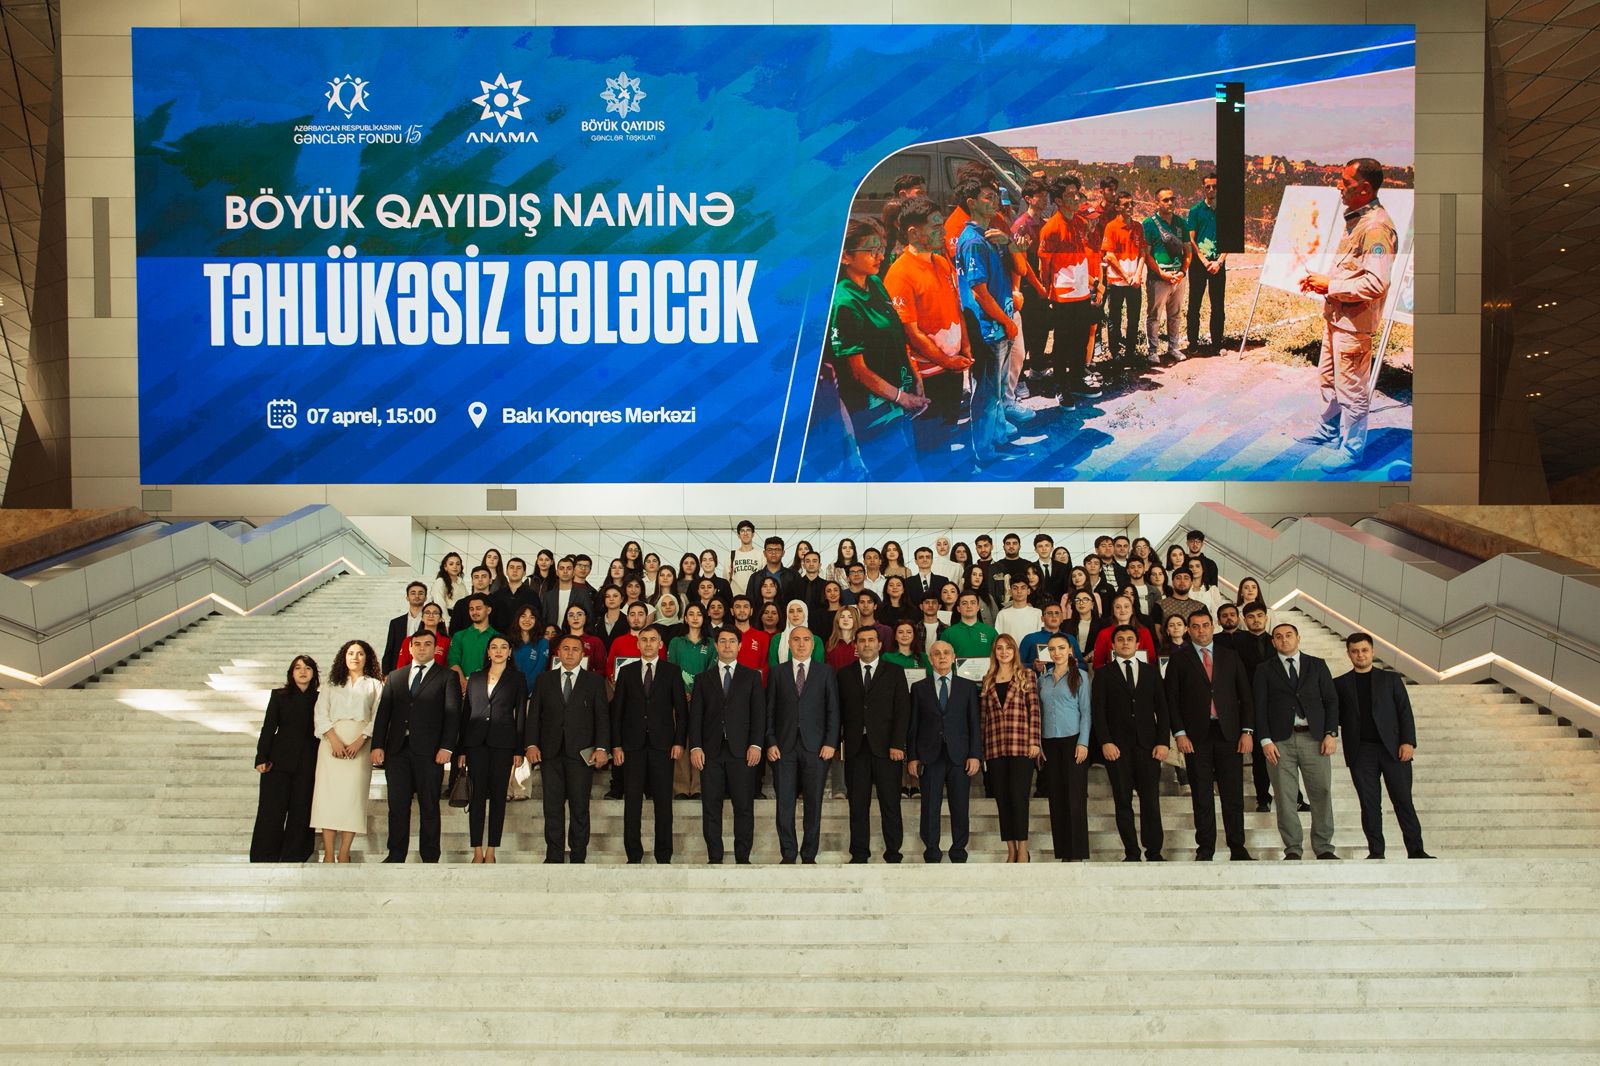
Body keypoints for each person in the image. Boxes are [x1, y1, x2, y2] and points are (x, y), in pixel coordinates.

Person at [1295, 157, 1397, 472]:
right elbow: (1353, 271)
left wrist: (1331, 285)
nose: (1339, 186)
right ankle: (1328, 431)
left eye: (1346, 183)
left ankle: (1351, 451)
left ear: (1364, 189)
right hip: (1337, 317)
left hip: (1354, 325)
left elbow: (1376, 283)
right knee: (1329, 379)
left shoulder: (1376, 228)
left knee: (1351, 388)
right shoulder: (1357, 219)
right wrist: (1326, 284)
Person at [829, 219, 928, 479]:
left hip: (900, 398)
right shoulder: (844, 302)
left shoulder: (875, 283)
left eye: (880, 248)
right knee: (898, 478)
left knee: (911, 468)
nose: (880, 256)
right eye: (871, 250)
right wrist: (901, 397)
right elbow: (858, 370)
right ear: (845, 257)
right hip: (875, 410)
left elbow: (895, 333)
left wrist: (914, 375)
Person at [883, 196, 973, 470]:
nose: (943, 232)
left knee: (947, 428)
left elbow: (956, 308)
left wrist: (965, 348)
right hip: (927, 375)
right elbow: (910, 332)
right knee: (929, 440)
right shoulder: (900, 273)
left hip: (952, 367)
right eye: (935, 226)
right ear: (913, 233)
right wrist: (947, 361)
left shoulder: (942, 262)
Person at [1165, 608, 1256, 861]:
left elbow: (1246, 696)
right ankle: (1205, 849)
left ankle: (1237, 847)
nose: (1201, 630)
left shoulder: (1230, 656)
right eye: (1195, 626)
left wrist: (1247, 731)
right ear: (1188, 630)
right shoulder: (1179, 659)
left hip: (1230, 734)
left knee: (1233, 794)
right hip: (1196, 737)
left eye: (1205, 625)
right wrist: (1180, 733)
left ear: (1213, 626)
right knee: (1201, 795)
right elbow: (1171, 700)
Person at [1335, 633, 1432, 860]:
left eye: (1364, 650)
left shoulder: (1391, 679)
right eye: (1355, 651)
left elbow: (1404, 711)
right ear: (1348, 654)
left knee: (1403, 801)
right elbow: (1335, 714)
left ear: (1372, 651)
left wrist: (1408, 741)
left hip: (1393, 749)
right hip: (1361, 751)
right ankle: (1376, 852)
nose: (1360, 655)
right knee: (1369, 804)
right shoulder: (1339, 684)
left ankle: (1416, 850)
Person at [369, 632, 459, 863]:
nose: (421, 648)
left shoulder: (446, 676)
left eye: (427, 644)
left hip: (430, 752)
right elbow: (383, 714)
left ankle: (430, 856)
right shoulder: (396, 676)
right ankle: (396, 854)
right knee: (397, 806)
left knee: (429, 806)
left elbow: (452, 715)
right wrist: (377, 745)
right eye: (417, 644)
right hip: (397, 751)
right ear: (410, 648)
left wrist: (447, 747)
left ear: (435, 648)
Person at [1255, 622, 1341, 859]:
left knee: (1322, 791)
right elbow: (1259, 706)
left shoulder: (1317, 665)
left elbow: (1331, 700)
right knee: (1285, 796)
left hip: (1314, 739)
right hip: (1279, 742)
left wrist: (1331, 733)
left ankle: (1323, 847)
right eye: (1279, 636)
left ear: (1298, 638)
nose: (1284, 640)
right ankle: (1293, 848)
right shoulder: (1264, 669)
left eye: (1289, 635)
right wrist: (1265, 740)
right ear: (1273, 642)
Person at [953, 178, 1020, 469]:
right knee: (986, 393)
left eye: (995, 196)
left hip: (1000, 325)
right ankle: (984, 453)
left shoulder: (991, 235)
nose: (993, 202)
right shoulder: (972, 241)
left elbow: (1018, 268)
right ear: (971, 203)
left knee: (996, 391)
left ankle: (997, 440)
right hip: (989, 328)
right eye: (986, 197)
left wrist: (1009, 242)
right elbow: (979, 293)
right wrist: (1007, 322)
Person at [524, 635, 610, 863]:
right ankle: (553, 856)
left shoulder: (594, 681)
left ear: (583, 654)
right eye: (566, 649)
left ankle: (578, 857)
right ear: (558, 653)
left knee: (579, 808)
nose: (570, 653)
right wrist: (531, 744)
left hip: (581, 754)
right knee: (552, 807)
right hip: (550, 753)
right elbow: (534, 715)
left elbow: (602, 717)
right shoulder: (544, 679)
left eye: (575, 649)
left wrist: (602, 747)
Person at [610, 625, 688, 864]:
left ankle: (663, 855)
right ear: (638, 644)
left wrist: (679, 742)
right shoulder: (626, 672)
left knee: (663, 803)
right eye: (644, 639)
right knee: (632, 803)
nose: (648, 643)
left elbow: (682, 712)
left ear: (660, 644)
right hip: (632, 746)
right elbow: (617, 712)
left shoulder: (672, 671)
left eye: (653, 639)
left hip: (663, 746)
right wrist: (616, 745)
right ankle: (633, 855)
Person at [687, 628, 765, 864]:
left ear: (740, 646)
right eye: (723, 641)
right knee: (711, 807)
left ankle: (743, 858)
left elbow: (758, 715)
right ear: (716, 646)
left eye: (732, 641)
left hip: (742, 751)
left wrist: (756, 745)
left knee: (744, 807)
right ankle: (715, 858)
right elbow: (695, 716)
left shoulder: (752, 677)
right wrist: (695, 747)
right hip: (710, 752)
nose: (728, 645)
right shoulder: (703, 679)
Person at [1094, 625, 1170, 861]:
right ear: (1113, 645)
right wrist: (1105, 742)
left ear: (1138, 644)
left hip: (1148, 746)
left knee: (1151, 801)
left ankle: (1154, 851)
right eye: (1120, 639)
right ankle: (1132, 852)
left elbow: (1163, 710)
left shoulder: (1151, 672)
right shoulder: (1103, 674)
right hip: (1117, 749)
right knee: (1123, 801)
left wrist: (1163, 742)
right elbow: (1098, 712)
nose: (1125, 643)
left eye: (1129, 639)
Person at [835, 627, 910, 863]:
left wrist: (898, 744)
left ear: (879, 645)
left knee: (890, 803)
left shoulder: (895, 672)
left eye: (871, 640)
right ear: (856, 646)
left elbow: (902, 711)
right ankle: (859, 853)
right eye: (862, 640)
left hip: (887, 748)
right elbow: (838, 711)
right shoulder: (844, 674)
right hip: (856, 748)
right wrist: (837, 744)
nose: (866, 644)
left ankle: (893, 853)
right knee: (858, 805)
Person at [765, 627, 840, 864]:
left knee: (813, 803)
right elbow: (769, 711)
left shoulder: (825, 672)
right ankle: (788, 853)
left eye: (806, 639)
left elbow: (833, 709)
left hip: (816, 748)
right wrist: (770, 741)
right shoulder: (777, 672)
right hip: (783, 747)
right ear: (789, 644)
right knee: (784, 804)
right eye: (796, 639)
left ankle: (809, 855)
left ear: (813, 644)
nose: (801, 644)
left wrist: (831, 742)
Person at [308, 639, 382, 864]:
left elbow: (378, 715)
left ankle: (344, 853)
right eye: (351, 653)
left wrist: (361, 740)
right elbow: (321, 713)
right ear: (344, 657)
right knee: (328, 797)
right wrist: (334, 740)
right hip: (331, 744)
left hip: (360, 744)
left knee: (353, 798)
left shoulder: (375, 685)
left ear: (367, 658)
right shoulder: (331, 684)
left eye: (360, 653)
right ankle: (329, 854)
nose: (355, 657)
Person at [907, 640, 982, 863]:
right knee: (930, 807)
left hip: (960, 756)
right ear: (930, 659)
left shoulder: (967, 687)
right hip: (930, 756)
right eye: (937, 653)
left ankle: (959, 852)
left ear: (953, 657)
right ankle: (932, 852)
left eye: (946, 653)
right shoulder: (919, 688)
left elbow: (974, 723)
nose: (942, 656)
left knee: (960, 806)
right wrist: (912, 757)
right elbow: (913, 725)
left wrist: (975, 754)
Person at [457, 635, 526, 864]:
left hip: (503, 745)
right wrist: (461, 749)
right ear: (488, 652)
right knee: (476, 797)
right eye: (494, 647)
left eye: (503, 647)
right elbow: (466, 714)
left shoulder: (517, 679)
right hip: (475, 744)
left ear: (509, 652)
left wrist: (519, 749)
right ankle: (477, 851)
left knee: (498, 797)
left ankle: (491, 851)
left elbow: (521, 715)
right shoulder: (475, 677)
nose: (498, 651)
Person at [251, 654, 321, 863]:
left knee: (301, 810)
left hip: (308, 761)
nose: (302, 671)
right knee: (271, 810)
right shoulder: (279, 696)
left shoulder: (319, 699)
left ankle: (295, 854)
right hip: (278, 761)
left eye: (307, 668)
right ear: (291, 673)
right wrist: (261, 757)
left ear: (314, 673)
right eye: (298, 667)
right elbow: (268, 728)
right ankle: (264, 855)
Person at [1038, 173, 1103, 397]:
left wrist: (1092, 284)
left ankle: (1076, 381)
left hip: (1082, 293)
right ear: (1058, 200)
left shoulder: (1081, 223)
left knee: (1080, 340)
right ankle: (1061, 387)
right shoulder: (1051, 228)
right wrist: (1048, 294)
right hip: (1062, 296)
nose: (1076, 198)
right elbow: (1044, 265)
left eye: (1077, 193)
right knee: (1062, 342)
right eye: (1070, 195)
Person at [979, 634, 1042, 863]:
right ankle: (1010, 848)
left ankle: (1023, 847)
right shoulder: (988, 679)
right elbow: (983, 718)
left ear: (1014, 651)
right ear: (994, 652)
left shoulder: (1026, 675)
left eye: (1008, 648)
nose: (1004, 652)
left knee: (1018, 796)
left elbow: (1034, 709)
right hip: (995, 747)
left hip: (1021, 744)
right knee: (1002, 798)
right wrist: (982, 749)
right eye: (999, 648)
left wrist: (1034, 741)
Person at [1038, 635, 1092, 861]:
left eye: (1061, 648)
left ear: (1070, 650)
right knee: (1056, 797)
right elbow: (1039, 713)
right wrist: (1039, 743)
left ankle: (1077, 852)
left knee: (1075, 797)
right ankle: (1062, 852)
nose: (1056, 653)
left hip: (1073, 740)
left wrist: (1083, 742)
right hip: (1049, 742)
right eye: (1052, 649)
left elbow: (1086, 712)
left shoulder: (1080, 676)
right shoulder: (1043, 679)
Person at [668, 603, 713, 800]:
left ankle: (698, 787)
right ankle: (680, 787)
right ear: (685, 618)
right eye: (691, 614)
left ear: (704, 618)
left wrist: (698, 694)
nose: (695, 617)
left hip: (703, 700)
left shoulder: (711, 643)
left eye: (699, 614)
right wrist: (681, 693)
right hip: (680, 699)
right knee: (680, 740)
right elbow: (671, 669)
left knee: (699, 741)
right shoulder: (676, 642)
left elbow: (711, 672)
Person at [1143, 186, 1189, 364]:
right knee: (1154, 315)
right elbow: (1147, 254)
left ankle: (1173, 347)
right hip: (1158, 278)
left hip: (1178, 276)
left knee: (1175, 313)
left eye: (1172, 199)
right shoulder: (1149, 224)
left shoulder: (1181, 223)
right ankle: (1152, 350)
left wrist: (1182, 272)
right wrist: (1162, 273)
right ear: (1157, 203)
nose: (1170, 202)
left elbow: (1188, 251)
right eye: (1165, 200)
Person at [1100, 190, 1146, 364]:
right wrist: (1126, 276)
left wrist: (1138, 274)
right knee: (1114, 318)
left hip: (1134, 281)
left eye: (1132, 203)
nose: (1130, 207)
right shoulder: (1111, 227)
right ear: (1118, 207)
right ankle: (1115, 353)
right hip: (1116, 282)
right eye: (1126, 204)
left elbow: (1142, 252)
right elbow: (1109, 255)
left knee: (1134, 317)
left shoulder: (1137, 226)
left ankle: (1130, 353)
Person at [1185, 173, 1226, 353]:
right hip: (1198, 265)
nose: (1211, 190)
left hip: (1218, 264)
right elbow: (1191, 238)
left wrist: (1219, 261)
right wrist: (1203, 260)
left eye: (1214, 186)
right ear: (1203, 188)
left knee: (1218, 305)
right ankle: (1193, 344)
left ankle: (1217, 343)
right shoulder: (1195, 211)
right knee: (1194, 304)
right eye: (1208, 186)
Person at [447, 594, 499, 694]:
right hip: (463, 688)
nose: (474, 612)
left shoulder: (498, 637)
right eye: (471, 609)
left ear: (488, 610)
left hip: (490, 688)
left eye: (478, 608)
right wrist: (463, 682)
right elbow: (453, 661)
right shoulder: (459, 636)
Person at [1088, 593, 1156, 669]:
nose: (1122, 610)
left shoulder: (1144, 632)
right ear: (1113, 611)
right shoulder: (1103, 634)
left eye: (1126, 606)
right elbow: (1097, 664)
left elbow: (1151, 660)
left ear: (1132, 610)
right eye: (1118, 607)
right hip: (1112, 675)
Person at [381, 581, 428, 674]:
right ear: (407, 597)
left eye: (421, 593)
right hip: (399, 669)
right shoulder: (396, 623)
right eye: (413, 593)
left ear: (425, 598)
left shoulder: (430, 621)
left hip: (424, 669)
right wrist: (385, 673)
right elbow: (389, 650)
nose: (417, 596)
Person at [541, 555, 595, 630]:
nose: (565, 571)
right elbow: (543, 620)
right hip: (554, 635)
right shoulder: (548, 596)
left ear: (573, 572)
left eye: (569, 568)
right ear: (557, 572)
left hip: (575, 635)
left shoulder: (583, 594)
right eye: (561, 568)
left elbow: (590, 618)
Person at [944, 591, 998, 659]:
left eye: (973, 603)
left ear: (978, 607)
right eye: (964, 603)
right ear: (958, 609)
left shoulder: (991, 632)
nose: (969, 606)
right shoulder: (948, 634)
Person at [395, 602, 450, 669]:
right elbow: (401, 667)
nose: (431, 616)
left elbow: (448, 667)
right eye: (427, 613)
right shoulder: (409, 640)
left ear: (440, 619)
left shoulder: (447, 641)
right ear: (422, 618)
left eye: (435, 613)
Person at [994, 576, 1044, 644]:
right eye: (1015, 588)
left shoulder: (1037, 613)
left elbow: (1041, 638)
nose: (1019, 591)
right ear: (1010, 591)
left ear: (1028, 591)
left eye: (1023, 588)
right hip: (1010, 650)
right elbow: (998, 639)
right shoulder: (1002, 614)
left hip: (1032, 650)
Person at [430, 552, 466, 622]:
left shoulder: (461, 584)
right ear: (445, 567)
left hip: (460, 617)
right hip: (446, 617)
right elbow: (439, 602)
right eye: (451, 564)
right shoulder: (440, 581)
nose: (455, 566)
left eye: (458, 564)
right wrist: (447, 620)